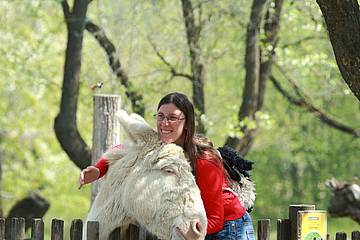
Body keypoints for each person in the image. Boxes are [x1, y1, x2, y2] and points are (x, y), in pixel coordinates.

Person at [79, 92, 255, 240]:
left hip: (229, 228)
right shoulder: (160, 146)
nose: (164, 124)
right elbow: (126, 149)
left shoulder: (205, 159)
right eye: (161, 117)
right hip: (195, 225)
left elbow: (215, 219)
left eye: (172, 118)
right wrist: (98, 169)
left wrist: (183, 228)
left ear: (187, 122)